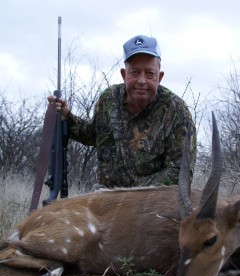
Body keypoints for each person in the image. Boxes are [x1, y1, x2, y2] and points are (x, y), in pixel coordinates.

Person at [48, 35, 196, 188]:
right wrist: (67, 118)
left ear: (160, 77)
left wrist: (134, 197)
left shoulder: (177, 111)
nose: (142, 81)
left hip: (152, 204)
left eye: (150, 74)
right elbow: (92, 135)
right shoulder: (108, 99)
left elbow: (180, 171)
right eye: (135, 72)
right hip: (104, 197)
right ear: (124, 75)